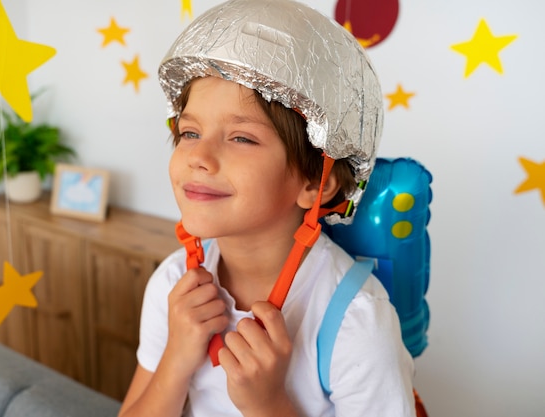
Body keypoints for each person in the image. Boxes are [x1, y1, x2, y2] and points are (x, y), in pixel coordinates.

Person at [118, 0, 416, 416]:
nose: (198, 157)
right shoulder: (173, 285)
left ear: (316, 183)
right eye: (189, 132)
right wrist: (175, 360)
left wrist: (269, 404)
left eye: (241, 138)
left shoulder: (356, 322)